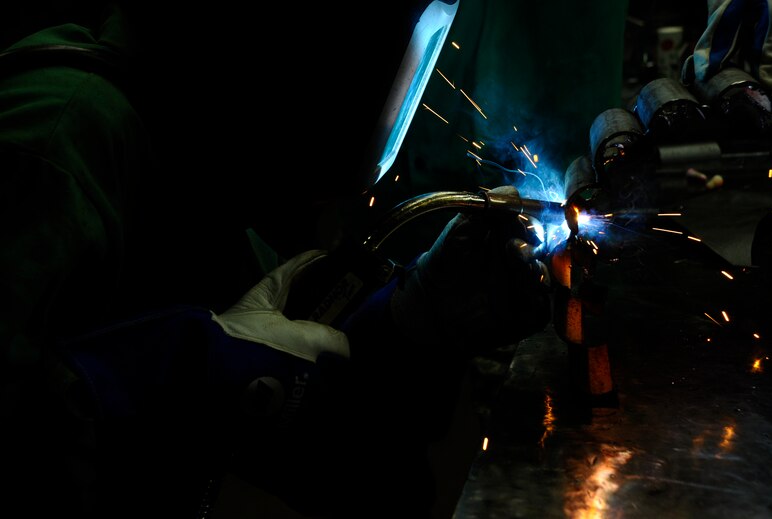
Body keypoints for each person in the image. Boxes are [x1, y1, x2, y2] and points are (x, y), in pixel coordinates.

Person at [0, 2, 551, 518]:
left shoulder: (196, 170)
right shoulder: (56, 142)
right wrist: (185, 369)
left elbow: (327, 448)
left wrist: (406, 327)